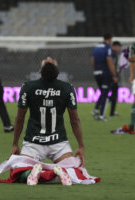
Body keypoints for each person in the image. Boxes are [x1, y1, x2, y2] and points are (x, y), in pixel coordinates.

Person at [11, 57, 85, 185]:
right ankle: (59, 171)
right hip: (59, 142)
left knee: (17, 171)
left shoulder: (28, 87)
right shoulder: (67, 88)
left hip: (33, 141)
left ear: (40, 71)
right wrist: (81, 146)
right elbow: (75, 120)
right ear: (58, 73)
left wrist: (15, 143)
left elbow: (19, 119)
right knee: (77, 171)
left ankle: (35, 172)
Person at [91, 33, 118, 121]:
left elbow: (93, 60)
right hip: (105, 73)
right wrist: (114, 74)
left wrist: (96, 69)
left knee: (103, 92)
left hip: (96, 72)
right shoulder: (108, 48)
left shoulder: (96, 47)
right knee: (105, 93)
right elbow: (109, 61)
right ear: (110, 39)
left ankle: (95, 110)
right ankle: (101, 115)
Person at [109, 41, 122, 117]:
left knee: (113, 94)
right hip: (112, 76)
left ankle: (112, 111)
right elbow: (112, 65)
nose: (119, 49)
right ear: (115, 46)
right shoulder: (112, 54)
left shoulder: (112, 53)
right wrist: (114, 76)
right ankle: (112, 112)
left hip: (111, 76)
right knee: (114, 94)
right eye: (118, 47)